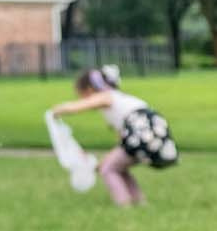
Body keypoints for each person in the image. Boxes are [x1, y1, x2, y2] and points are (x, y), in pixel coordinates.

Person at [47, 65, 179, 206]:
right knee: (116, 167)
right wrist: (106, 159)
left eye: (81, 94)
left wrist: (58, 110)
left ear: (90, 90)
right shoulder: (119, 103)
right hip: (152, 132)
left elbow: (82, 106)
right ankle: (139, 202)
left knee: (107, 169)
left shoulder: (107, 96)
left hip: (143, 131)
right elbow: (122, 142)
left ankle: (123, 203)